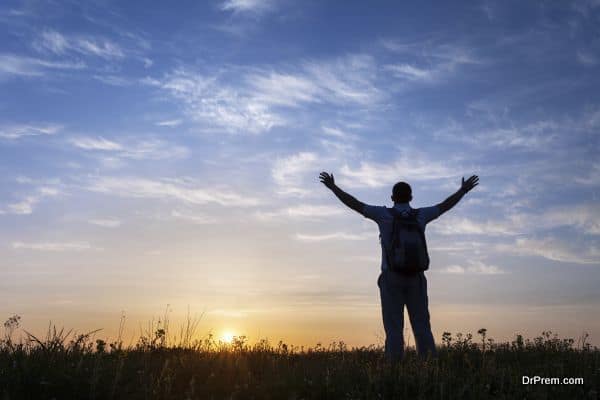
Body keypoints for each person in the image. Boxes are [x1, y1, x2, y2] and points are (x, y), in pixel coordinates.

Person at [319, 172, 479, 361]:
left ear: (392, 197)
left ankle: (394, 370)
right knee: (422, 326)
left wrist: (333, 187)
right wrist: (463, 191)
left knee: (394, 328)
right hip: (416, 278)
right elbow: (444, 206)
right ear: (411, 197)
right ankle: (429, 369)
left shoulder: (383, 214)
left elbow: (355, 204)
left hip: (391, 278)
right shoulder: (421, 215)